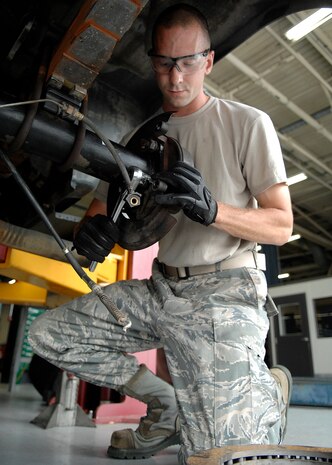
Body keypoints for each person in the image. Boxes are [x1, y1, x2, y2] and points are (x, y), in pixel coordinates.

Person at [29, 4, 294, 464]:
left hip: (224, 294)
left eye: (189, 62)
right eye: (165, 64)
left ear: (208, 61)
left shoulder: (247, 123)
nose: (176, 77)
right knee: (51, 334)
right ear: (153, 62)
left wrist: (215, 210)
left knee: (216, 455)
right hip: (161, 289)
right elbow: (101, 212)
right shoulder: (142, 136)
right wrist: (94, 234)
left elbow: (281, 225)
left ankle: (265, 390)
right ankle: (165, 403)